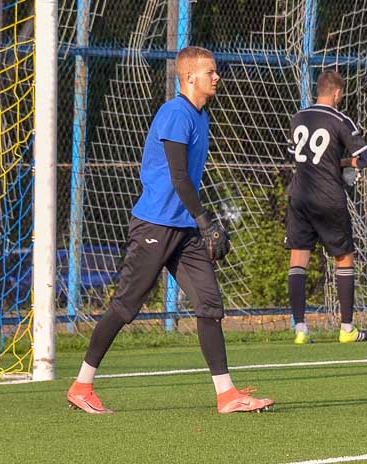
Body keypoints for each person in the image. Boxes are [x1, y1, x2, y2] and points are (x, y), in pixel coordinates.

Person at [67, 46, 274, 414]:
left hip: (184, 230)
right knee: (127, 306)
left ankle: (227, 395)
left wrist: (197, 223)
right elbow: (178, 177)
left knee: (209, 304)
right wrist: (206, 220)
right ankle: (82, 385)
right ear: (189, 77)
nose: (216, 77)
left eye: (215, 71)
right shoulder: (176, 113)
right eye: (210, 72)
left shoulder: (200, 116)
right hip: (155, 225)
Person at [284, 69, 367, 345]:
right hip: (328, 198)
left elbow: (303, 158)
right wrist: (347, 166)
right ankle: (346, 328)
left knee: (298, 260)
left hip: (299, 196)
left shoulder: (299, 117)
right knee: (344, 257)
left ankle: (300, 328)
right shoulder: (339, 119)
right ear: (336, 93)